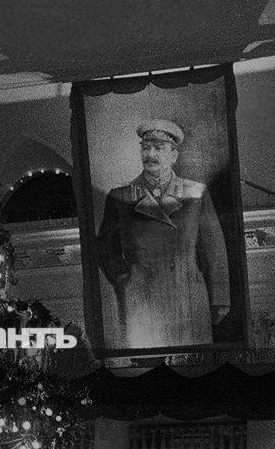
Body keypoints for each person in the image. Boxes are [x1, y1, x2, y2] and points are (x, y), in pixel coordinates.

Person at [96, 119, 229, 348]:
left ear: (174, 155)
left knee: (193, 362)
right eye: (146, 148)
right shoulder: (120, 197)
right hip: (142, 299)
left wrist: (220, 298)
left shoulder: (195, 193)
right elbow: (106, 248)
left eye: (158, 148)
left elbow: (214, 248)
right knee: (148, 361)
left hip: (187, 296)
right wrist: (125, 281)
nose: (150, 155)